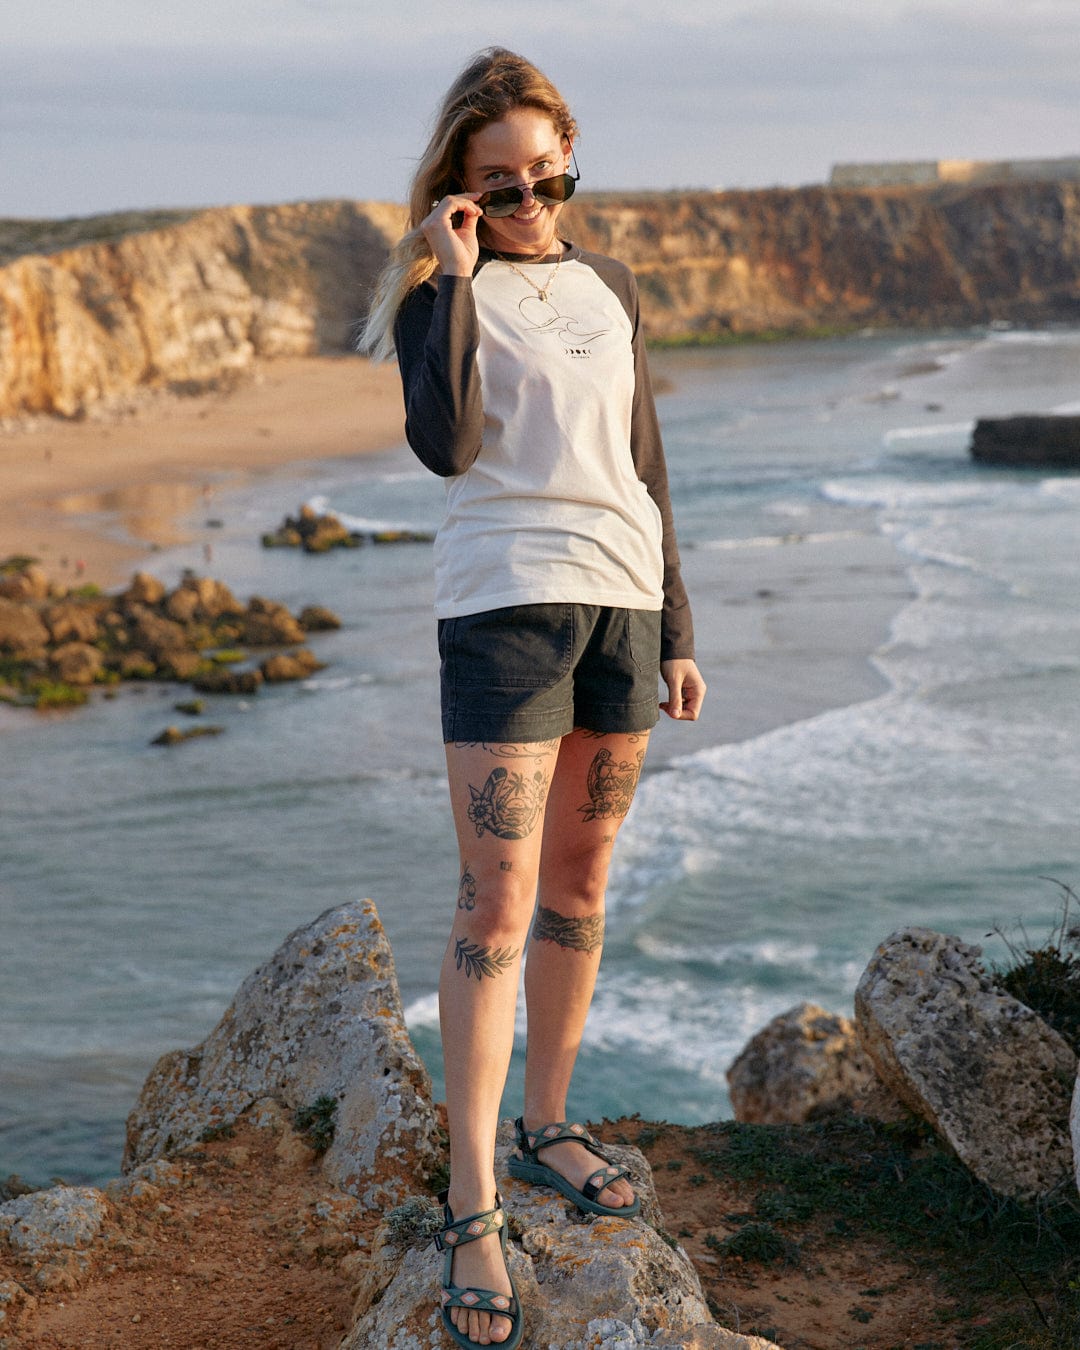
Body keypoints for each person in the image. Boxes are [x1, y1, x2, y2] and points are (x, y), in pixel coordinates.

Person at [360, 47, 706, 1350]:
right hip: (503, 611)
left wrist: (676, 626)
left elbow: (644, 462)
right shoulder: (434, 299)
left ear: (570, 163)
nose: (524, 196)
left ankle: (547, 1117)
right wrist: (451, 275)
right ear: (458, 187)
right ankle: (474, 1198)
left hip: (620, 608)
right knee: (494, 895)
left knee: (582, 878)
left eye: (543, 171)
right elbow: (446, 443)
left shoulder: (608, 286)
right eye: (493, 181)